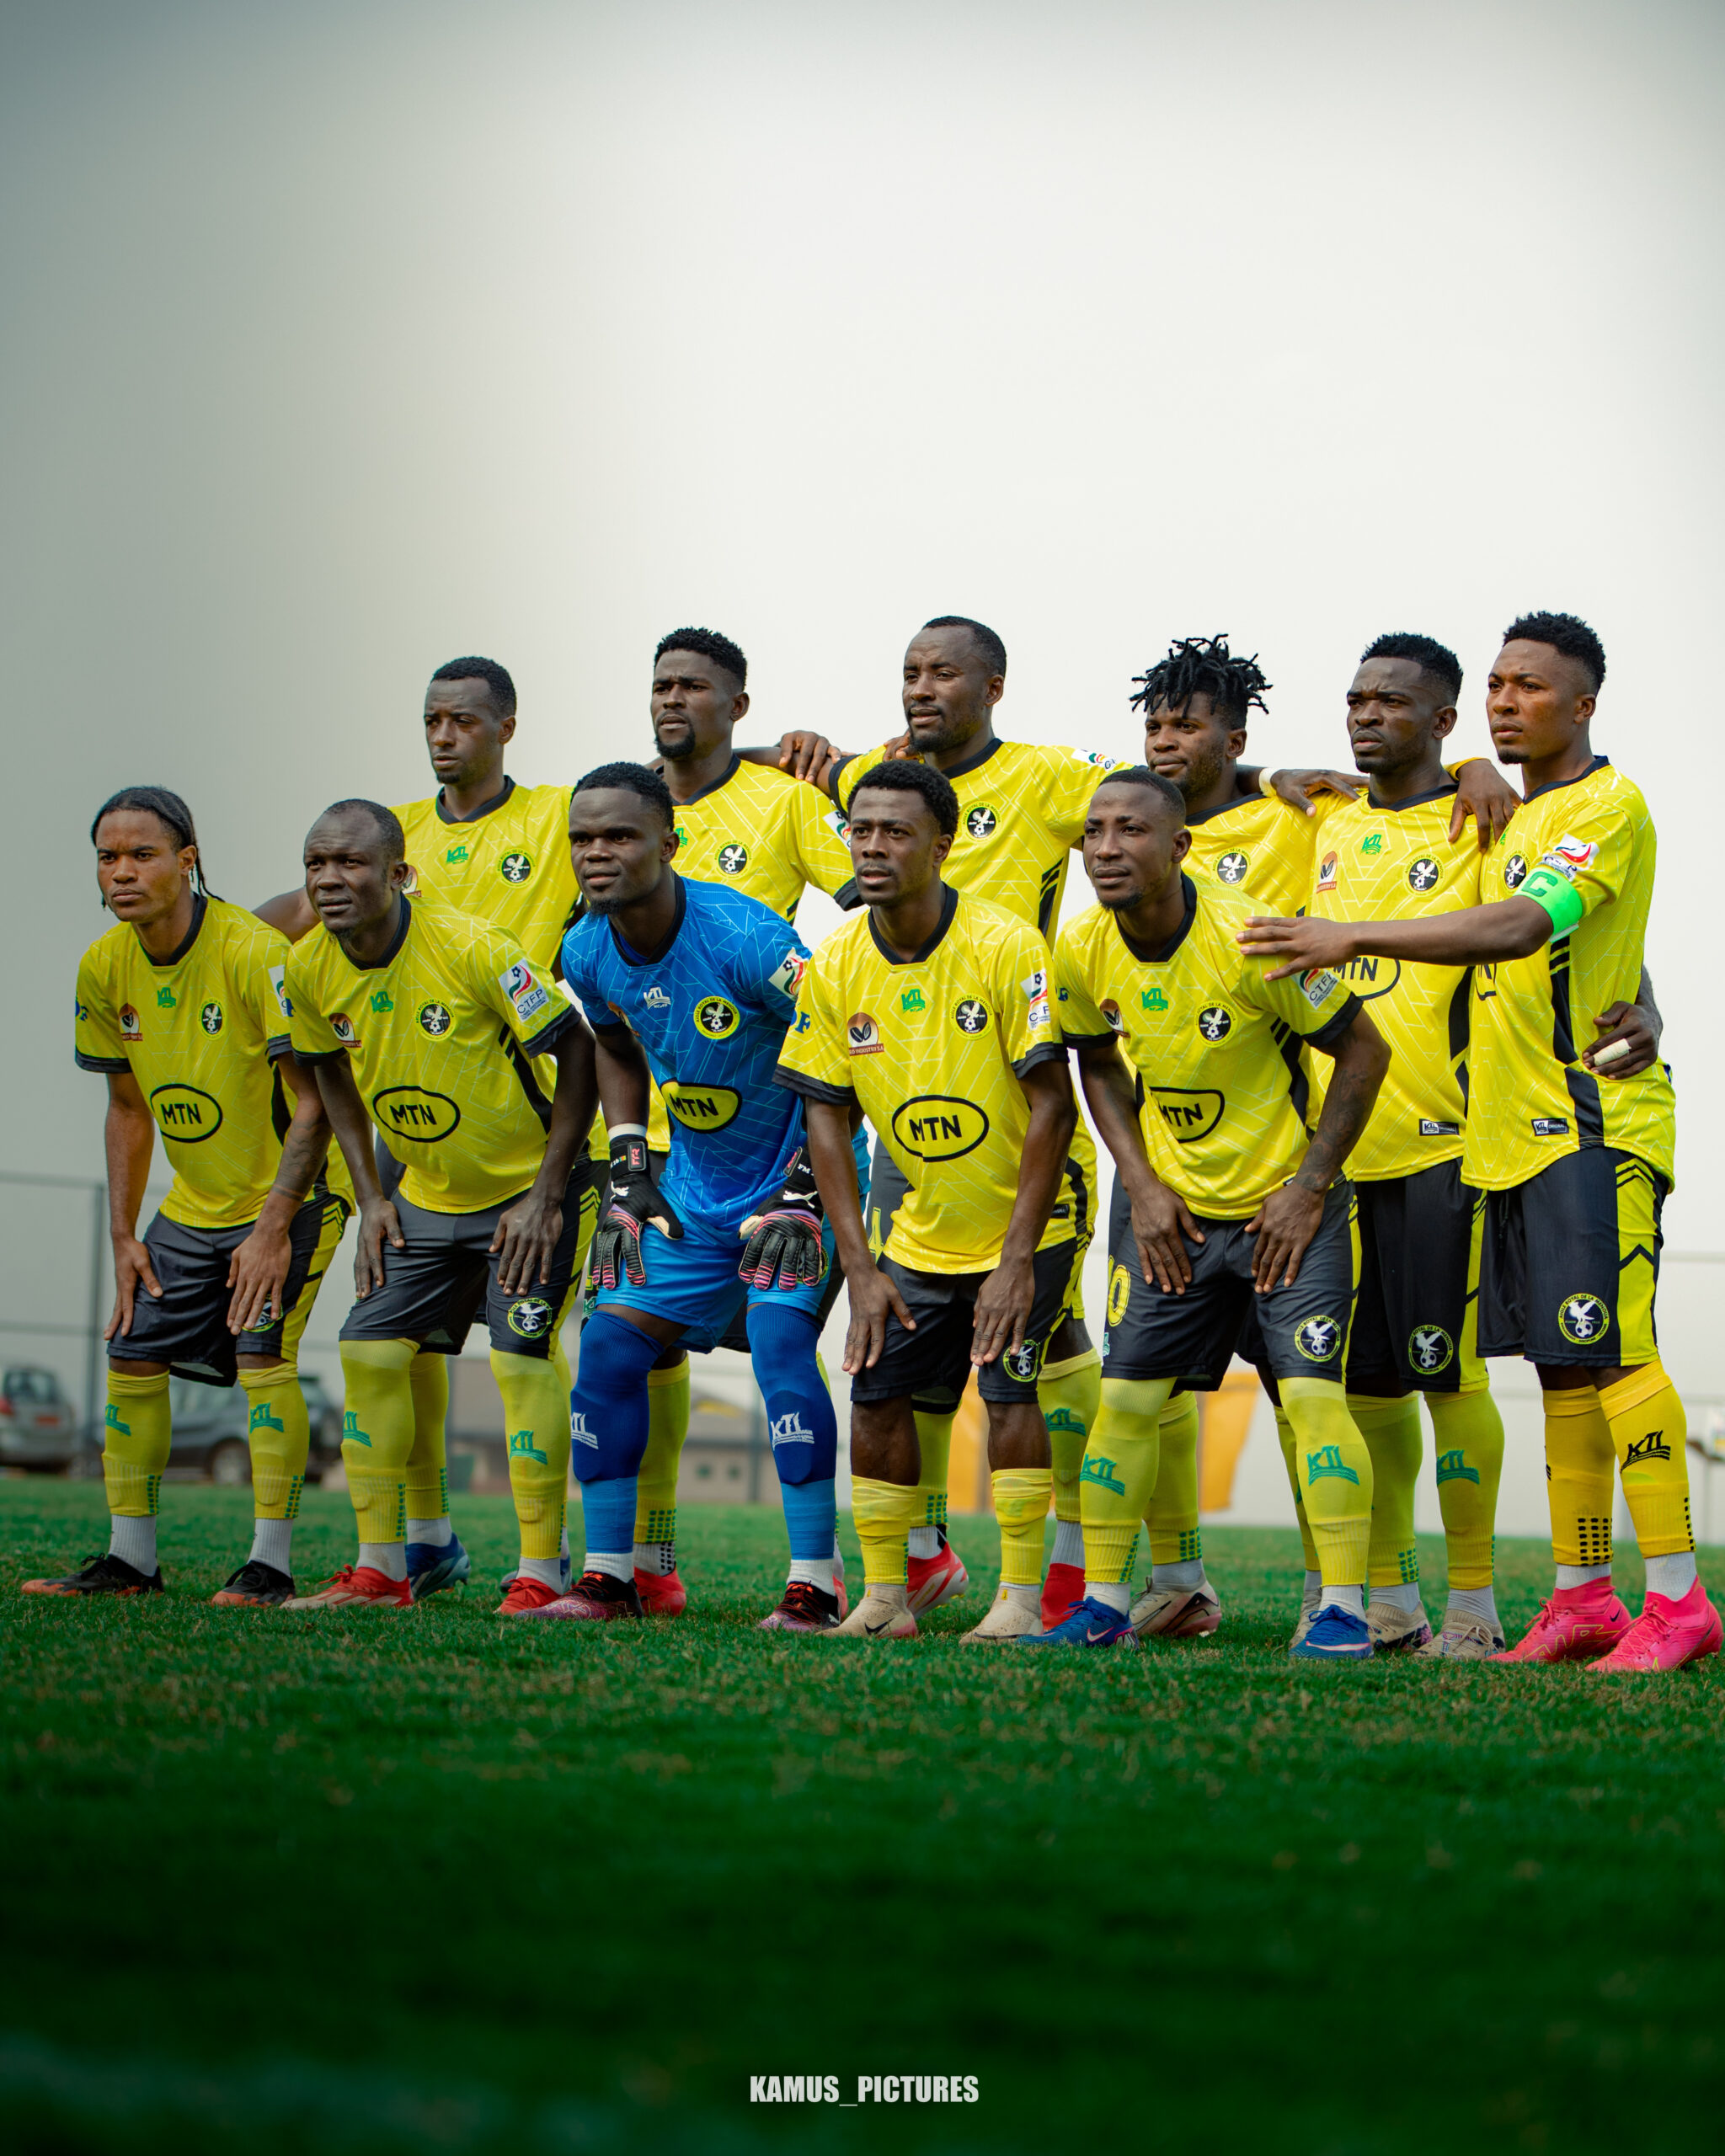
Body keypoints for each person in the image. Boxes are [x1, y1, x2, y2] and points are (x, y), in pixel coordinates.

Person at [1241, 611, 1719, 1673]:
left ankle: (1678, 1600)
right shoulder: (1500, 816)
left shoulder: (1605, 805)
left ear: (1583, 704)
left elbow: (1524, 925)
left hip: (1589, 1123)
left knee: (1612, 1351)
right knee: (1561, 1367)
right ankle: (1581, 1596)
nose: (1507, 700)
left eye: (1529, 687)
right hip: (1509, 1137)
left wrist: (1346, 933)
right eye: (1498, 684)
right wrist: (1458, 769)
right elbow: (1591, 941)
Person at [1129, 632, 1521, 1641]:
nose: (1364, 716)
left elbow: (1546, 918)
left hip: (1438, 1140)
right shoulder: (1308, 817)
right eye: (1354, 701)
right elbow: (1252, 782)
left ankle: (1473, 1608)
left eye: (1386, 702)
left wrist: (1478, 767)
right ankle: (1382, 1597)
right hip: (1318, 1158)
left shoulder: (1452, 817)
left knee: (1444, 1374)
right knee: (1356, 1388)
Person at [259, 656, 604, 1612]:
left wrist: (546, 1193)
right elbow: (326, 1071)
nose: (330, 881)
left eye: (350, 865)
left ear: (398, 874)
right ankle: (382, 1567)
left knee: (521, 1358)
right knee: (369, 1349)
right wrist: (373, 1197)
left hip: (528, 1191)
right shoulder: (309, 970)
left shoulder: (474, 947)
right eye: (317, 866)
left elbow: (575, 1049)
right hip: (423, 1196)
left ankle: (539, 1571)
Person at [1035, 768, 1390, 1659]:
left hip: (1285, 1215)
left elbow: (1363, 1051)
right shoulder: (1079, 945)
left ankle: (1344, 1609)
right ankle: (1105, 1605)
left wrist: (1307, 1187)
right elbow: (1096, 1064)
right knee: (1125, 1401)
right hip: (1177, 1219)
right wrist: (1143, 1183)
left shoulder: (1251, 937)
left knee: (1311, 1400)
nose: (1105, 849)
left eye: (1130, 830)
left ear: (1180, 845)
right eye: (1093, 832)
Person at [528, 762, 856, 1630]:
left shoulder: (748, 938)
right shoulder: (584, 949)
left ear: (668, 844)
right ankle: (609, 1579)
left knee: (780, 1344)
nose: (596, 853)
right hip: (694, 1185)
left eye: (619, 835)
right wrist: (629, 1161)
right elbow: (613, 1043)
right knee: (607, 1345)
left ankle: (816, 1583)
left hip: (802, 1174)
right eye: (582, 838)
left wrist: (803, 1189)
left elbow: (841, 1042)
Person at [776, 760, 1081, 1642]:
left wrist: (1017, 1260)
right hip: (919, 1226)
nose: (871, 847)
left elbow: (1053, 1104)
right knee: (875, 1390)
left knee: (1009, 1386)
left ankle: (1017, 1599)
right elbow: (825, 1115)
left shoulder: (1004, 944)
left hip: (1027, 1220)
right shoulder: (836, 962)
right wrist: (860, 1267)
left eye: (895, 831)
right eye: (859, 830)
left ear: (942, 846)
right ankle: (884, 1600)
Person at [24, 790, 348, 1604]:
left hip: (293, 1196)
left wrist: (273, 1226)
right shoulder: (104, 966)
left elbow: (313, 1103)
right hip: (194, 1205)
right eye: (108, 857)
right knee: (131, 1348)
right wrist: (123, 1236)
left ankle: (270, 1565)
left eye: (143, 855)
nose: (122, 872)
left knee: (262, 1359)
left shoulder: (252, 952)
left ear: (187, 860)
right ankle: (130, 1561)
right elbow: (127, 1110)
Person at [626, 627, 862, 1614]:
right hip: (659, 1138)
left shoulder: (781, 798)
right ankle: (644, 1560)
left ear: (737, 704)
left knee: (783, 1342)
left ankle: (875, 1552)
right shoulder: (619, 811)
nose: (671, 699)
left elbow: (874, 894)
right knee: (636, 1345)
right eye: (661, 685)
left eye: (694, 686)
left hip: (773, 1136)